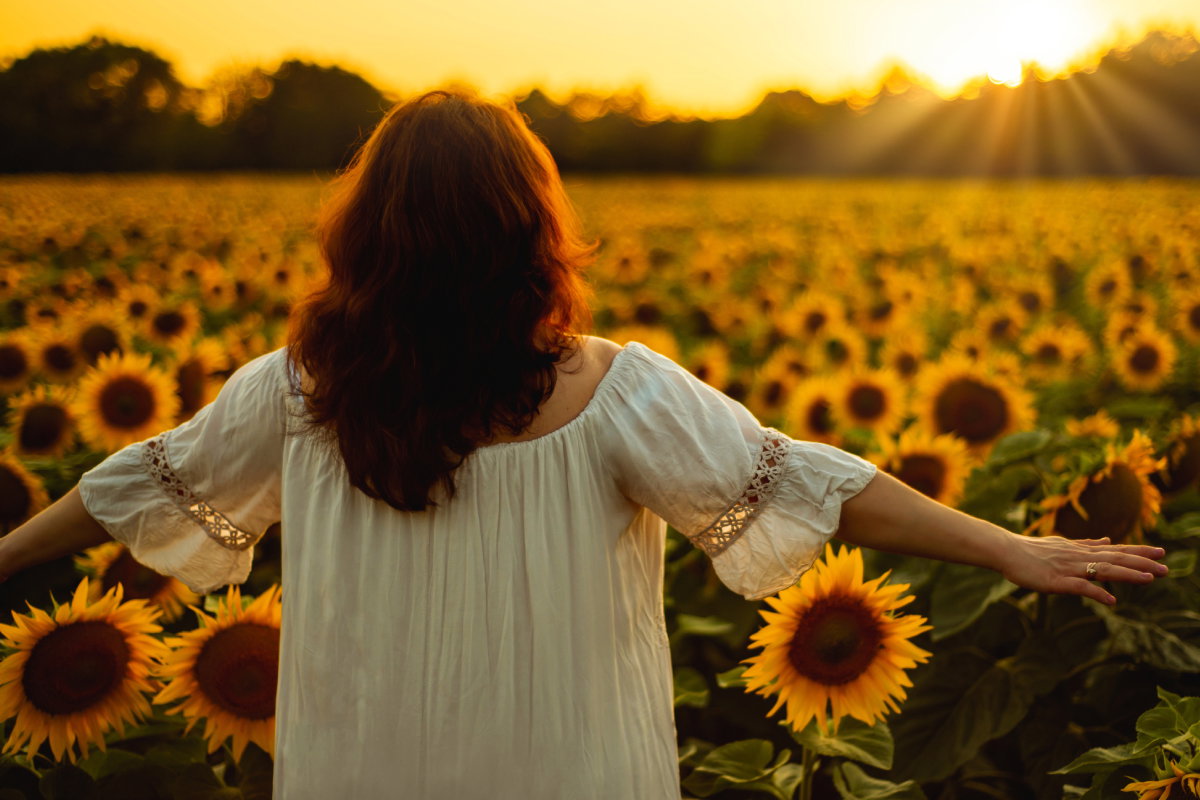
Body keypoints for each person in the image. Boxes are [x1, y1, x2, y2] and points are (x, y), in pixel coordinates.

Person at [0, 90, 1169, 799]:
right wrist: (1011, 549)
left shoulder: (302, 392)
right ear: (530, 229)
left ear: (369, 236)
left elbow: (126, 488)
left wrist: (4, 559)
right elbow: (817, 481)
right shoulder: (612, 391)